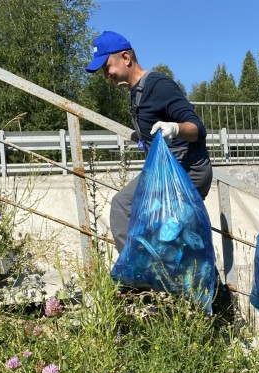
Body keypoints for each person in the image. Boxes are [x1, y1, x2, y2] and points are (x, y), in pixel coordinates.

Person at [85, 31, 236, 319]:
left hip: (187, 171)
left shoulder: (158, 85)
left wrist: (175, 128)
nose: (106, 73)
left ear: (126, 57)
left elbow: (197, 127)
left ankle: (149, 275)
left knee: (141, 213)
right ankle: (153, 274)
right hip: (166, 172)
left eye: (107, 66)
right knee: (155, 223)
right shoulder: (137, 92)